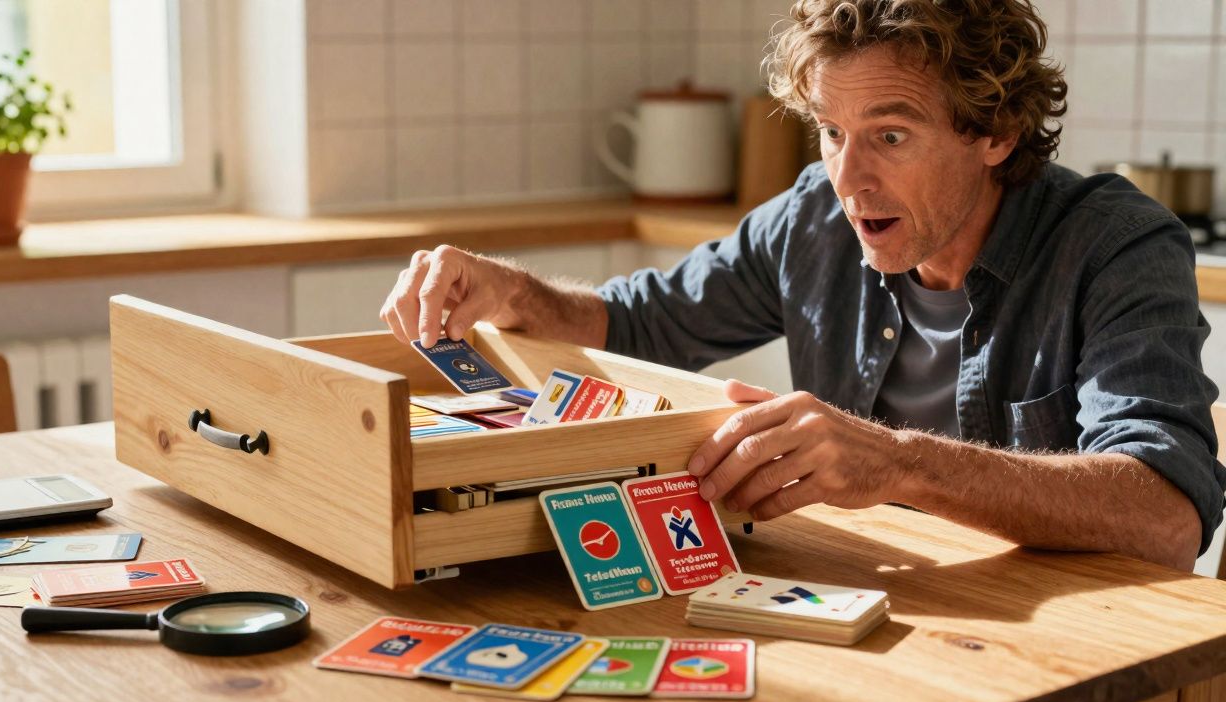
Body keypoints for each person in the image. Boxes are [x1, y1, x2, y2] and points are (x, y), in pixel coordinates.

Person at [380, 0, 1224, 572]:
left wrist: (895, 463)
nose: (848, 179)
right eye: (829, 131)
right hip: (871, 601)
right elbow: (641, 324)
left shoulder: (1119, 243)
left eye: (889, 135)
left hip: (1063, 645)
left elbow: (1166, 513)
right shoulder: (813, 215)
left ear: (995, 131)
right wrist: (519, 295)